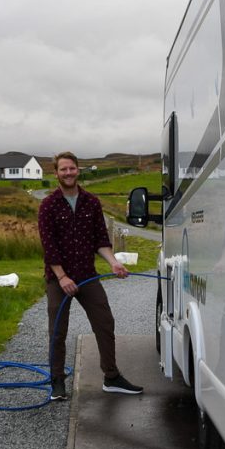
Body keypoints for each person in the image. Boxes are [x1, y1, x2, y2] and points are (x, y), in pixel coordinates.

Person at [38, 151, 143, 401]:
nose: (68, 173)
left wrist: (114, 263)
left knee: (105, 323)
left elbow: (101, 241)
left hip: (87, 276)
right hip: (58, 280)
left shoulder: (92, 202)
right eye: (63, 169)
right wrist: (62, 277)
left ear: (78, 170)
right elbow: (48, 245)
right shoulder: (48, 205)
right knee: (57, 332)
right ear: (56, 173)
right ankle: (57, 382)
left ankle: (111, 377)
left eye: (72, 168)